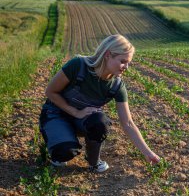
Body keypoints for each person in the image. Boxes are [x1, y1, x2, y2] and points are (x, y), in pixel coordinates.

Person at [39, 34, 160, 172]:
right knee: (64, 152)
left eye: (128, 62)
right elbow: (50, 91)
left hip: (82, 121)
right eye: (123, 61)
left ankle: (94, 161)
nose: (126, 67)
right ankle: (58, 141)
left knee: (100, 121)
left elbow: (128, 123)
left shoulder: (116, 85)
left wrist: (148, 153)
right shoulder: (78, 65)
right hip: (57, 114)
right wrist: (76, 112)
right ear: (108, 55)